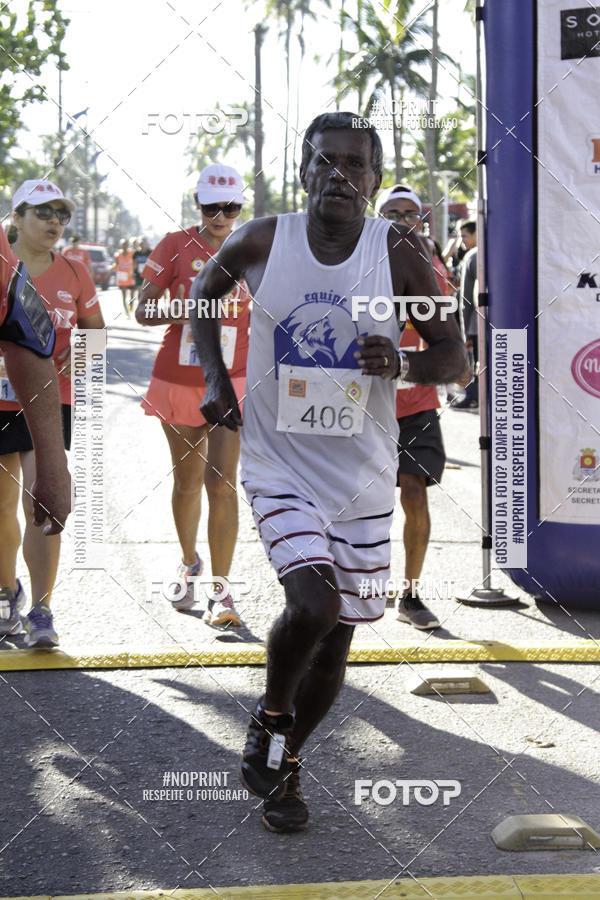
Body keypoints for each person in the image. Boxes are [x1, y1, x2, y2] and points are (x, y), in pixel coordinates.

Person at [189, 113, 467, 833]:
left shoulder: (399, 250)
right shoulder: (262, 240)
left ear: (373, 181)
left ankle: (284, 764)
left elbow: (455, 357)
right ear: (304, 171)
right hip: (280, 463)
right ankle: (270, 718)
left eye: (355, 164)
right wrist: (216, 377)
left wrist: (401, 362)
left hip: (364, 479)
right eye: (326, 161)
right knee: (311, 606)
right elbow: (201, 297)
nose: (339, 174)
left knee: (337, 635)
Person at [135, 164, 250, 626]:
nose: (221, 216)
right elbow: (142, 309)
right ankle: (188, 561)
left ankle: (221, 594)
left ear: (242, 207)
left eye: (231, 207)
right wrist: (180, 309)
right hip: (179, 379)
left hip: (234, 379)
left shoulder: (257, 246)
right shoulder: (174, 244)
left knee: (221, 484)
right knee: (187, 483)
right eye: (211, 207)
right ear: (197, 205)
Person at [0, 179, 104, 647]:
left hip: (51, 402)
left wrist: (72, 362)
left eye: (62, 215)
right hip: (0, 400)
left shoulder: (75, 271)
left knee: (41, 502)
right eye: (44, 213)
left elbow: (94, 334)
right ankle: (6, 595)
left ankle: (42, 609)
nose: (55, 223)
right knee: (1, 505)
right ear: (17, 216)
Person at [375, 184, 448, 630]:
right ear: (377, 215)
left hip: (416, 399)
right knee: (355, 501)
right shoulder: (357, 260)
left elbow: (447, 332)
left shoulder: (431, 263)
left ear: (420, 219)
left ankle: (411, 594)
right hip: (363, 400)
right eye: (392, 211)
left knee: (414, 493)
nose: (402, 218)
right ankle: (354, 585)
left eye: (410, 212)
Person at [114, 239, 135, 317]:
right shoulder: (118, 254)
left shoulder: (132, 253)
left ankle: (131, 305)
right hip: (122, 278)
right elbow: (116, 265)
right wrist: (110, 269)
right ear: (121, 245)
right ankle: (127, 312)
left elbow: (135, 262)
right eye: (123, 244)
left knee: (132, 295)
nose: (124, 246)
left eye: (126, 244)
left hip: (130, 277)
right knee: (124, 295)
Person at [132, 236, 151, 302]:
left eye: (144, 243)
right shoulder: (136, 253)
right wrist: (132, 272)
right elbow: (134, 263)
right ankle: (140, 304)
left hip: (148, 275)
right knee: (140, 290)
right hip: (139, 274)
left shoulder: (150, 252)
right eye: (141, 244)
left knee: (147, 291)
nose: (143, 245)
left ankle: (146, 305)